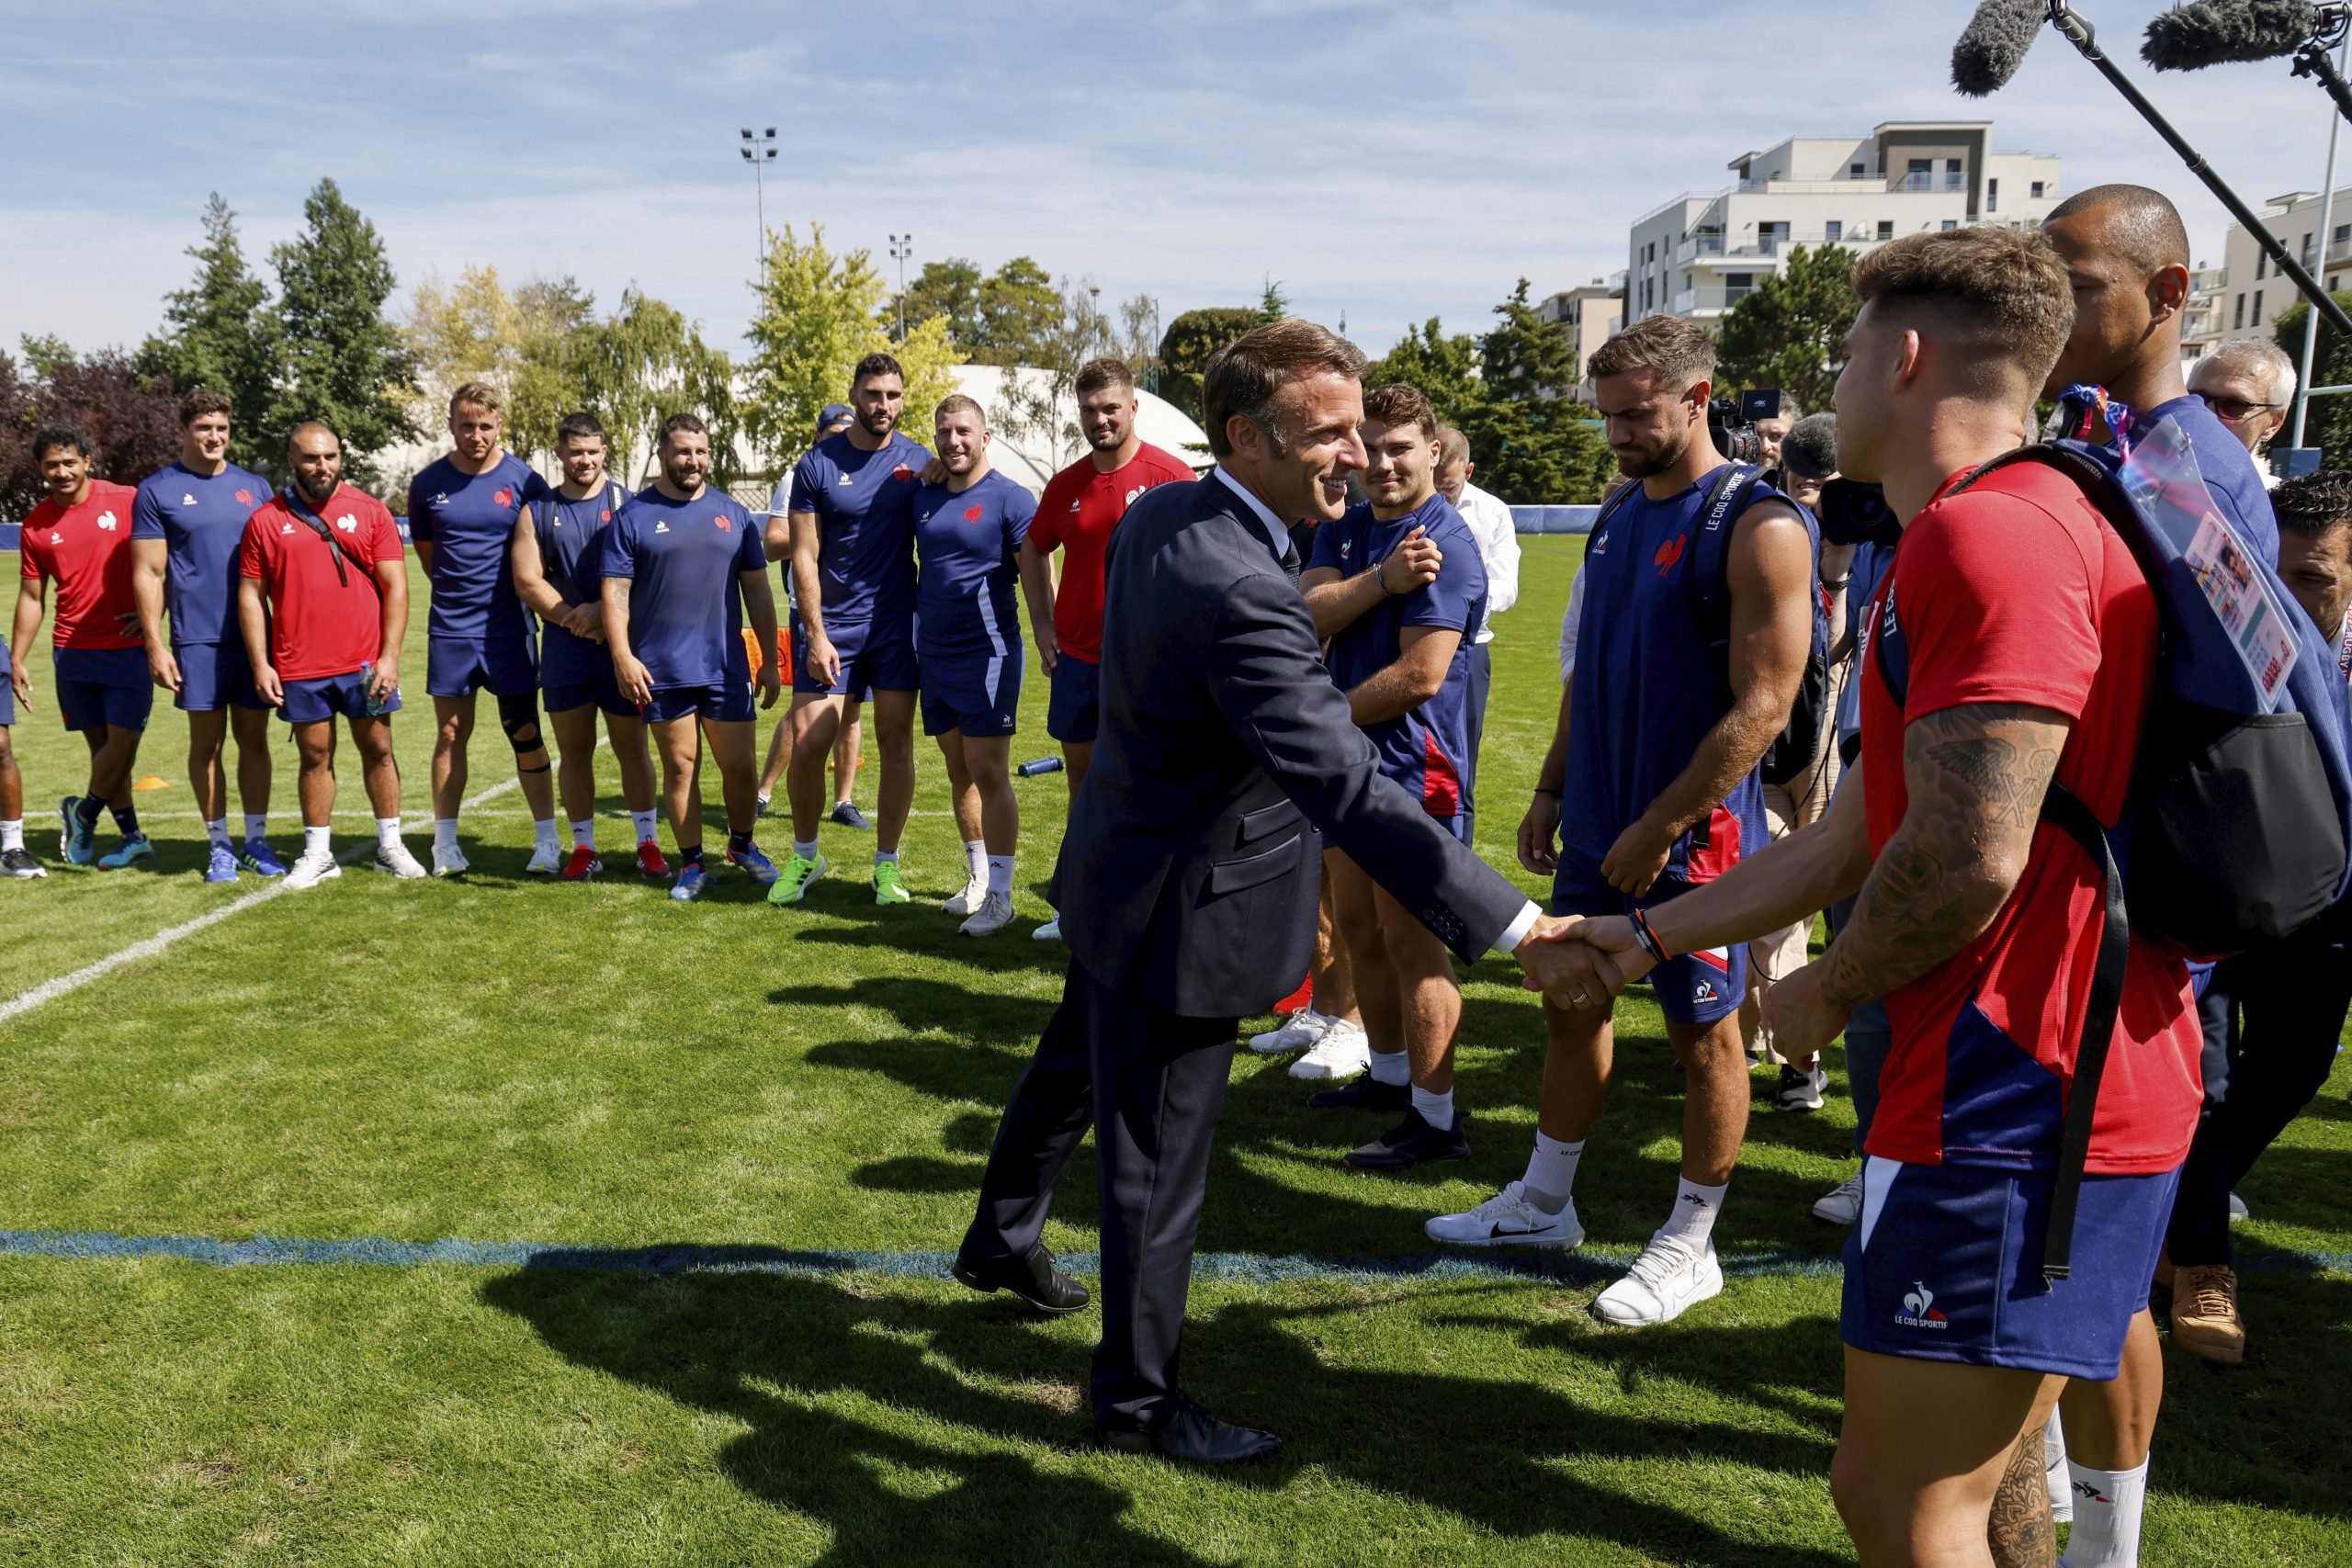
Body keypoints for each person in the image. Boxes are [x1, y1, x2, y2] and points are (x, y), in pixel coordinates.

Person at [1572, 225, 2199, 1568]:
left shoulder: (1993, 535)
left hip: (2018, 1088)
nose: (1832, 386)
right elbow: (1852, 838)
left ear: (1906, 357)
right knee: (1989, 1477)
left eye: (1849, 352)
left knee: (1904, 1500)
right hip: (2045, 1077)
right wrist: (1642, 936)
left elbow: (1971, 854)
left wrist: (1822, 985)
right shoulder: (2011, 517)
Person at [950, 320, 1602, 1465]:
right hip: (1178, 903)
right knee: (1154, 1165)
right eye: (1328, 433)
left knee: (1067, 1068)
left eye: (1359, 430)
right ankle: (1138, 1402)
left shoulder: (1170, 513)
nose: (1354, 455)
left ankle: (1001, 1239)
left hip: (1119, 865)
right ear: (1244, 437)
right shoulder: (1234, 575)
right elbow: (1344, 785)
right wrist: (1516, 921)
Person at [1426, 315, 1815, 1330]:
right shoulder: (1615, 514)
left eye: (1634, 413)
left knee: (1704, 1037)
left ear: (1697, 396)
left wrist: (1662, 823)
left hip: (1694, 842)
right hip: (1600, 823)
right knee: (1569, 1001)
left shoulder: (1757, 521)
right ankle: (1544, 1203)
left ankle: (1690, 1243)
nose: (1616, 434)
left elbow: (1764, 705)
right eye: (1604, 416)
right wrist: (1556, 789)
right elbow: (1585, 672)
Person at [2037, 182, 2281, 1567]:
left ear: (2172, 292)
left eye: (2079, 280)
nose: (2054, 307)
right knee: (2075, 1274)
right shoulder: (2128, 445)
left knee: (2101, 1272)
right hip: (2100, 916)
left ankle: (2105, 1550)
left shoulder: (2188, 466)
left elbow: (2242, 716)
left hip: (2132, 939)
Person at [2154, 470, 2352, 1370]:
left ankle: (2172, 1210)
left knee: (2296, 1067)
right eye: (2279, 573)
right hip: (2222, 887)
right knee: (2206, 1076)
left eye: (2312, 577)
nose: (2291, 595)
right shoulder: (2235, 634)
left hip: (2330, 906)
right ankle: (2201, 1262)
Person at [1299, 383, 1487, 1168]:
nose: (1378, 461)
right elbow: (1307, 611)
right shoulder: (1343, 531)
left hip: (1414, 772)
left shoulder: (1446, 539)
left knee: (1416, 948)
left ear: (1433, 452)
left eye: (1398, 446)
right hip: (1352, 767)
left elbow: (1420, 675)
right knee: (1361, 931)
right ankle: (1388, 1077)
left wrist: (1326, 717)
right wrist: (1379, 582)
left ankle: (1437, 1120)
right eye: (1367, 446)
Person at [1019, 357, 1198, 941]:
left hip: (1147, 664)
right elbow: (1032, 550)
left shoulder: (1171, 477)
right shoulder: (1066, 485)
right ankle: (1077, 907)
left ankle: (1149, 910)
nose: (1100, 419)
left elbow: (1201, 561)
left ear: (1132, 408)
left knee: (1149, 784)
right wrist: (1042, 625)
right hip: (1078, 659)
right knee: (1085, 785)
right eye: (1090, 410)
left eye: (1110, 408)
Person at [768, 355, 928, 907]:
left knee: (894, 743)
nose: (883, 404)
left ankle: (887, 868)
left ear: (902, 399)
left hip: (894, 625)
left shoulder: (918, 462)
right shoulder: (816, 464)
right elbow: (804, 555)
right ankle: (806, 856)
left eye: (892, 395)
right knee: (811, 744)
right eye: (873, 394)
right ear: (855, 395)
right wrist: (815, 633)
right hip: (832, 624)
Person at [602, 413, 782, 902]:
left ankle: (742, 847)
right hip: (662, 669)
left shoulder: (733, 514)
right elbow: (615, 593)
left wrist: (768, 659)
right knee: (682, 768)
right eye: (683, 451)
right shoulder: (633, 518)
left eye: (701, 452)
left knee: (741, 767)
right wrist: (622, 655)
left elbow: (758, 591)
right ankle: (693, 864)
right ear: (663, 454)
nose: (693, 461)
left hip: (725, 666)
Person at [237, 422, 425, 888]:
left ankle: (390, 846)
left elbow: (396, 588)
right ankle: (319, 853)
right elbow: (250, 597)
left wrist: (389, 657)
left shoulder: (370, 510)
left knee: (379, 748)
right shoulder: (265, 520)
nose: (322, 466)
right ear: (291, 460)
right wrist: (261, 663)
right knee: (314, 754)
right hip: (300, 664)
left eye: (330, 457)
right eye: (311, 458)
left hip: (365, 663)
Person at [131, 388, 283, 882]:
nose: (214, 436)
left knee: (254, 739)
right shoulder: (157, 491)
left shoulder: (256, 488)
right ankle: (218, 844)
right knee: (208, 744)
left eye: (221, 427)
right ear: (184, 430)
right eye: (203, 428)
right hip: (197, 639)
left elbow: (278, 568)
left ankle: (256, 840)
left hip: (253, 637)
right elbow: (149, 574)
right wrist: (155, 644)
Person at [509, 412, 667, 883]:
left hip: (620, 646)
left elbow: (651, 568)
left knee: (633, 748)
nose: (585, 460)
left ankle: (647, 843)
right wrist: (570, 619)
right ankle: (584, 848)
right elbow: (526, 579)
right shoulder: (537, 510)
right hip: (566, 649)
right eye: (575, 452)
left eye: (593, 451)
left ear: (605, 452)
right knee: (573, 751)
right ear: (560, 453)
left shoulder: (629, 503)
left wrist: (604, 610)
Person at [407, 382, 557, 876]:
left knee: (524, 729)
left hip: (509, 631)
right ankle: (445, 845)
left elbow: (539, 561)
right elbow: (431, 559)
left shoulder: (526, 482)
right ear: (451, 424)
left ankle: (546, 841)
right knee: (450, 733)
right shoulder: (428, 484)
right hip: (451, 630)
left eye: (485, 426)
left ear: (499, 426)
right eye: (467, 425)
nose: (476, 435)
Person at [1746, 411, 1846, 1109]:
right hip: (1774, 735)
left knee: (1793, 906)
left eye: (1822, 486)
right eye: (1799, 482)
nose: (1808, 496)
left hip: (1832, 740)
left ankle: (1796, 1057)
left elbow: (1838, 645)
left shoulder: (1882, 525)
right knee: (1771, 900)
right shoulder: (1764, 517)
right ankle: (1771, 1045)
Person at [910, 395, 1036, 936]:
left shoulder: (1011, 498)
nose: (954, 440)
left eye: (964, 430)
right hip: (933, 654)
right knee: (957, 768)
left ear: (986, 437)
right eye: (944, 432)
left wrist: (1049, 632)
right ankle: (979, 880)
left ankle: (1003, 897)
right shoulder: (926, 494)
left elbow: (1035, 575)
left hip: (987, 653)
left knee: (988, 769)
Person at [10, 423, 155, 870]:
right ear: (40, 467)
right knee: (104, 751)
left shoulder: (127, 501)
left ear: (88, 461)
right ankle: (131, 835)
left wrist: (155, 615)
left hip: (127, 646)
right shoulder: (36, 525)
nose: (62, 471)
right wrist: (16, 658)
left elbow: (159, 564)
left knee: (125, 740)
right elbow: (33, 597)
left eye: (70, 462)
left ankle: (84, 812)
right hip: (72, 652)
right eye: (52, 464)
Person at [758, 402, 871, 830]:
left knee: (852, 711)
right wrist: (816, 531)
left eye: (848, 430)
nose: (842, 438)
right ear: (818, 435)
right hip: (810, 610)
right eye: (833, 432)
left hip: (860, 611)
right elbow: (770, 544)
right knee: (806, 713)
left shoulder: (864, 474)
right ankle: (764, 791)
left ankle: (843, 801)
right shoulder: (798, 475)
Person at [1432, 423, 1520, 824]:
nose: (1438, 497)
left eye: (1447, 488)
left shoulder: (1492, 511)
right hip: (1404, 643)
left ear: (1468, 471)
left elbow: (1506, 585)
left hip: (1469, 650)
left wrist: (1460, 611)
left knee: (1460, 763)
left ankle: (1454, 863)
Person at [2188, 338, 2296, 482]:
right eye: (2196, 398)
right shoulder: (2150, 481)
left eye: (2233, 404)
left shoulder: (2275, 501)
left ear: (2273, 423)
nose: (2207, 413)